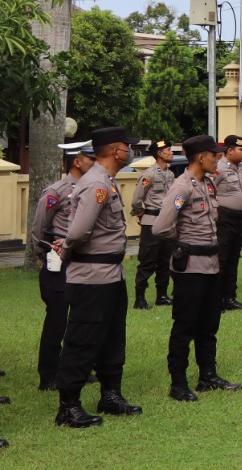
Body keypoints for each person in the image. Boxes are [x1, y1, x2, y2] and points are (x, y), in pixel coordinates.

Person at [55, 126, 144, 429]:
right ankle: (69, 407)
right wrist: (65, 247)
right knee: (83, 340)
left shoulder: (106, 180)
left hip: (110, 274)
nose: (130, 151)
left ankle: (110, 395)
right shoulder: (96, 184)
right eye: (127, 146)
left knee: (112, 337)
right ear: (114, 150)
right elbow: (79, 231)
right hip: (91, 276)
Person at [154, 134, 242, 401]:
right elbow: (160, 227)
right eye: (214, 155)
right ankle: (178, 384)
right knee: (185, 326)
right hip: (190, 267)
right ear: (201, 157)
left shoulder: (207, 184)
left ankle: (208, 376)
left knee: (209, 325)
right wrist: (183, 244)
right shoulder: (182, 187)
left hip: (212, 265)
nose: (218, 159)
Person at [30, 141, 93, 392]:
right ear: (77, 161)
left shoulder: (90, 189)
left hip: (84, 262)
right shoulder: (56, 191)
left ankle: (77, 369)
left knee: (82, 320)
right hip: (59, 263)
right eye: (90, 158)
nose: (95, 162)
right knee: (57, 322)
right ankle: (48, 375)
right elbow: (38, 231)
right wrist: (49, 255)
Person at [131, 139, 176, 309]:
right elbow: (137, 199)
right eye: (168, 150)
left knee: (165, 259)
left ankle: (162, 296)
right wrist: (140, 213)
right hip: (151, 221)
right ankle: (140, 298)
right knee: (148, 260)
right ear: (159, 153)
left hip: (167, 222)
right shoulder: (148, 175)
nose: (171, 152)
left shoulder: (171, 175)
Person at [213, 134, 242, 311]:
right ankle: (217, 299)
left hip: (237, 218)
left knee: (233, 259)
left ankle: (230, 298)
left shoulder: (239, 168)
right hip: (224, 218)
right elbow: (209, 190)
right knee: (222, 259)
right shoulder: (219, 168)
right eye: (241, 149)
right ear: (229, 151)